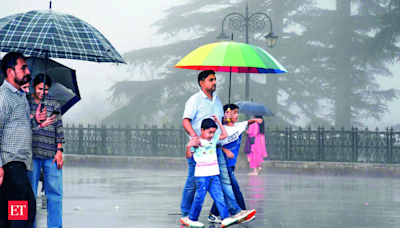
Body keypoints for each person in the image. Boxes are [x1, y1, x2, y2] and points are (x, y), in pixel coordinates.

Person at [180, 70, 255, 226]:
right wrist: (195, 137)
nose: (214, 82)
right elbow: (186, 121)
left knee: (224, 180)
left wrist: (229, 126)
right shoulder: (194, 100)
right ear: (202, 82)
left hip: (216, 149)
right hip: (200, 150)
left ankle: (235, 211)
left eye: (215, 79)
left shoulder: (218, 101)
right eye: (211, 80)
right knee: (193, 183)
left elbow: (221, 124)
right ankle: (186, 214)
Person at [0, 52, 51, 228]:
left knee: (9, 216)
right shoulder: (3, 98)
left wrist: (35, 121)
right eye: (23, 67)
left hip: (19, 165)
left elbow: (19, 128)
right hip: (10, 166)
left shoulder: (20, 96)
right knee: (24, 210)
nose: (28, 71)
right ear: (10, 72)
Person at [209, 104, 263, 223]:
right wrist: (225, 150)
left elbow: (247, 122)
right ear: (226, 114)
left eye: (237, 112)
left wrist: (255, 120)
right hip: (223, 163)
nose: (236, 115)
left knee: (225, 189)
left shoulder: (239, 126)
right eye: (233, 113)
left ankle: (213, 214)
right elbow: (213, 144)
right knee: (235, 188)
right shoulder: (221, 129)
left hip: (231, 164)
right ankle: (242, 212)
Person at [182, 117, 238, 228]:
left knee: (219, 196)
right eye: (209, 132)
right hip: (202, 176)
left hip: (214, 175)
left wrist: (219, 123)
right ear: (202, 130)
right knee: (199, 198)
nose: (211, 135)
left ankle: (225, 218)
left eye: (213, 132)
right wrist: (189, 147)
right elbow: (189, 156)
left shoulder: (213, 139)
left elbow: (225, 135)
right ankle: (192, 218)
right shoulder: (196, 142)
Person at [26, 74, 64, 228]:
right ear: (33, 86)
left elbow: (58, 127)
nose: (43, 92)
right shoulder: (25, 101)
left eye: (46, 89)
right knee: (30, 194)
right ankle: (29, 225)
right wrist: (34, 118)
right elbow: (21, 124)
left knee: (55, 193)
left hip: (51, 154)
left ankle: (55, 226)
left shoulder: (54, 103)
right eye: (40, 88)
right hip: (31, 154)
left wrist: (60, 150)